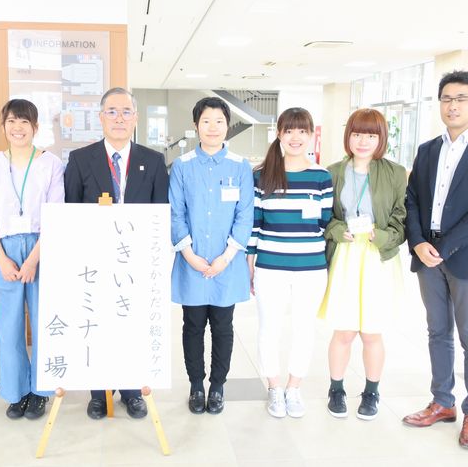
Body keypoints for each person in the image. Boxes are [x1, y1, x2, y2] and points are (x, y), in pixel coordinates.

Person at [402, 70, 468, 449]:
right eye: (447, 98)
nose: (453, 105)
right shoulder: (428, 149)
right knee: (437, 332)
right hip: (427, 254)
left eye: (462, 98)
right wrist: (418, 242)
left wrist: (444, 247)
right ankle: (442, 402)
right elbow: (412, 199)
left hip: (467, 255)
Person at [64, 87, 169, 420]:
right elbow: (71, 211)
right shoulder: (80, 159)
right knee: (98, 324)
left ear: (136, 118)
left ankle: (132, 390)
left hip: (136, 261)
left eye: (126, 112)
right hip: (94, 261)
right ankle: (99, 392)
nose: (119, 118)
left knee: (131, 325)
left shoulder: (153, 161)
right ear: (101, 117)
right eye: (112, 111)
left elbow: (160, 213)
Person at [0, 98, 64, 420]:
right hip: (4, 250)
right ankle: (16, 392)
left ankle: (41, 391)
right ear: (3, 127)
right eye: (11, 121)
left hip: (42, 247)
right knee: (9, 326)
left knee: (44, 323)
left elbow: (55, 214)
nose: (17, 128)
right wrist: (0, 259)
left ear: (35, 127)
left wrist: (33, 261)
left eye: (24, 122)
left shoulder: (51, 163)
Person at [319, 108, 407, 421]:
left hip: (377, 257)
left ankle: (371, 392)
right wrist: (336, 230)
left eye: (371, 135)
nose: (363, 141)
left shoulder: (396, 173)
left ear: (381, 138)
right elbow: (323, 217)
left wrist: (379, 235)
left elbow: (402, 220)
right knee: (343, 331)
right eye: (357, 134)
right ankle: (336, 389)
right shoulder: (332, 172)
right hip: (345, 255)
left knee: (372, 332)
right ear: (349, 137)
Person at [169, 97, 254, 415]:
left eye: (219, 121)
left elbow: (245, 215)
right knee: (192, 326)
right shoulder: (182, 165)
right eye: (206, 121)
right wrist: (188, 254)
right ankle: (196, 385)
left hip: (225, 263)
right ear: (196, 126)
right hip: (191, 260)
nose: (213, 127)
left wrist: (227, 256)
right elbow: (176, 212)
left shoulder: (240, 166)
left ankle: (217, 386)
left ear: (227, 125)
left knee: (222, 326)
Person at [247, 107, 333, 418]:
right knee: (269, 328)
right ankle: (274, 387)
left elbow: (325, 222)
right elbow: (255, 224)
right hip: (271, 266)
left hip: (311, 268)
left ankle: (293, 388)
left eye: (302, 131)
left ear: (311, 135)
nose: (295, 137)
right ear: (279, 134)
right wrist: (250, 265)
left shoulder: (321, 177)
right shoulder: (261, 175)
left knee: (304, 329)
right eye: (289, 130)